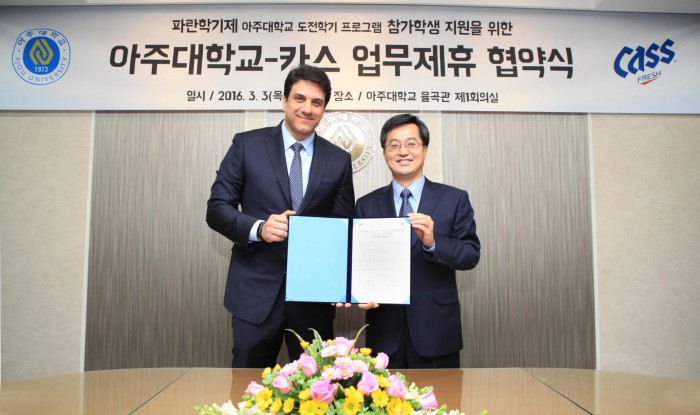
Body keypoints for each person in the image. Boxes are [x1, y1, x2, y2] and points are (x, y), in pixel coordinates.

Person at [206, 65, 355, 368]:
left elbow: (343, 227)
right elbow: (217, 208)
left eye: (316, 102)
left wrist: (345, 284)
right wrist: (259, 228)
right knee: (249, 386)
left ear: (323, 109)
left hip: (314, 297)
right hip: (256, 294)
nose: (307, 108)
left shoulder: (338, 160)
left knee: (317, 388)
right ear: (284, 100)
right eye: (300, 98)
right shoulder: (247, 145)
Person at [355, 113, 480, 369]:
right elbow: (357, 262)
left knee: (441, 395)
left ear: (425, 149)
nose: (403, 151)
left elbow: (470, 254)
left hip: (437, 330)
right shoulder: (366, 204)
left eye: (411, 144)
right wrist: (359, 292)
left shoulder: (454, 199)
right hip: (384, 332)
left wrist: (433, 242)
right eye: (394, 145)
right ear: (384, 153)